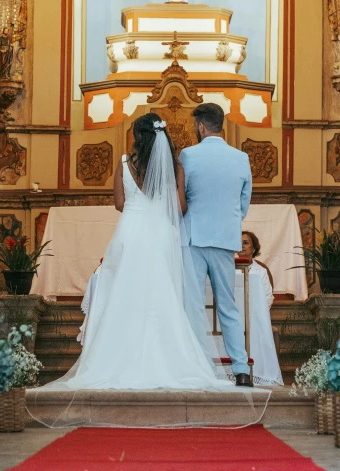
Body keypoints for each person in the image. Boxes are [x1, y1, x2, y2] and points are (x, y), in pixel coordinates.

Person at [44, 112, 233, 390]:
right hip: (161, 234)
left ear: (137, 136)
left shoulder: (123, 163)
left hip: (130, 232)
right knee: (162, 295)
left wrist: (138, 206)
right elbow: (180, 207)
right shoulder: (175, 166)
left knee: (123, 293)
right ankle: (167, 360)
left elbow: (120, 203)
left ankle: (117, 360)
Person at [179, 103, 253, 387]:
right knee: (228, 307)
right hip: (224, 238)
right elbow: (243, 202)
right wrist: (227, 222)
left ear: (200, 126)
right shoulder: (241, 157)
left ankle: (200, 367)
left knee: (194, 305)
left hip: (194, 237)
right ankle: (241, 369)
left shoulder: (188, 154)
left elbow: (181, 197)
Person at [239, 231, 283, 387]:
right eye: (240, 242)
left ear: (253, 247)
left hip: (256, 318)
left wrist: (256, 313)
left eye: (246, 242)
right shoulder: (229, 268)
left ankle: (259, 373)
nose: (242, 245)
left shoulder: (261, 271)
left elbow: (268, 296)